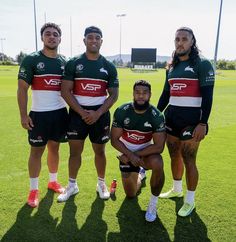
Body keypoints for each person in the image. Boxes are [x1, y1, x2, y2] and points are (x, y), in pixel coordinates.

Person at [157, 27, 215, 217]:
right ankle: (176, 189)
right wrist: (156, 115)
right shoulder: (171, 66)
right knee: (174, 155)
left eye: (184, 39)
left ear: (192, 42)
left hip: (193, 122)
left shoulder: (203, 64)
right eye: (177, 39)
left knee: (189, 159)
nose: (180, 42)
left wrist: (203, 123)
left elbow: (208, 96)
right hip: (172, 118)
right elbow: (166, 93)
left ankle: (189, 201)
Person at [57, 26, 119, 202]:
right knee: (74, 152)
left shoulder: (108, 66)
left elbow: (113, 95)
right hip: (77, 115)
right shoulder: (74, 63)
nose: (93, 40)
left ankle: (101, 183)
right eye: (90, 37)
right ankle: (72, 185)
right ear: (84, 40)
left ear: (101, 41)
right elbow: (65, 91)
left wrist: (97, 113)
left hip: (100, 116)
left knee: (100, 151)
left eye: (97, 37)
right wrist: (82, 112)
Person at [17, 22, 68, 208]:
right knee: (36, 152)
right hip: (38, 115)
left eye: (55, 34)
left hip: (60, 114)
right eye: (48, 34)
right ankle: (33, 190)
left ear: (60, 38)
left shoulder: (64, 62)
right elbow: (22, 89)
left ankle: (53, 181)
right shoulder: (31, 60)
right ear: (42, 37)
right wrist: (24, 115)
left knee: (55, 149)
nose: (52, 37)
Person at [111, 80, 166, 222]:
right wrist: (129, 155)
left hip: (144, 156)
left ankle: (153, 204)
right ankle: (140, 175)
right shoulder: (122, 111)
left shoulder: (157, 115)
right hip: (126, 154)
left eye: (144, 93)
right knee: (131, 194)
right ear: (133, 94)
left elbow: (159, 147)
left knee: (158, 162)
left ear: (150, 95)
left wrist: (133, 156)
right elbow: (114, 140)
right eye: (138, 92)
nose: (141, 96)